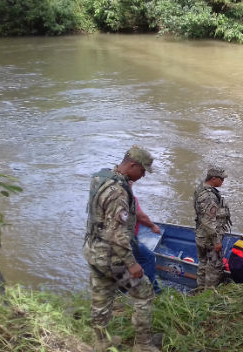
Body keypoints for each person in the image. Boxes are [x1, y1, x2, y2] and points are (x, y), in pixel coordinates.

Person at [83, 145, 161, 352]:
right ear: (133, 165)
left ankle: (99, 342)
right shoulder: (118, 192)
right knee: (144, 293)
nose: (143, 175)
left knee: (101, 297)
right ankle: (143, 345)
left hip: (94, 251)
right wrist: (131, 263)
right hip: (113, 259)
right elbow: (117, 234)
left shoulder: (102, 178)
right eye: (143, 170)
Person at [193, 166, 231, 288]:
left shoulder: (201, 188)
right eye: (221, 179)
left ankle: (200, 290)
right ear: (214, 178)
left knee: (203, 264)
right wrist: (217, 241)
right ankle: (209, 294)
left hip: (201, 235)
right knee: (214, 267)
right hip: (209, 238)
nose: (223, 181)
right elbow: (208, 221)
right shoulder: (208, 196)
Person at [129, 180, 162, 294]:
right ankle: (152, 290)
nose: (131, 183)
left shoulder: (112, 195)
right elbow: (140, 216)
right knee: (149, 257)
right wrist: (152, 226)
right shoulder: (128, 197)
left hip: (119, 238)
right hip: (128, 238)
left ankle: (128, 288)